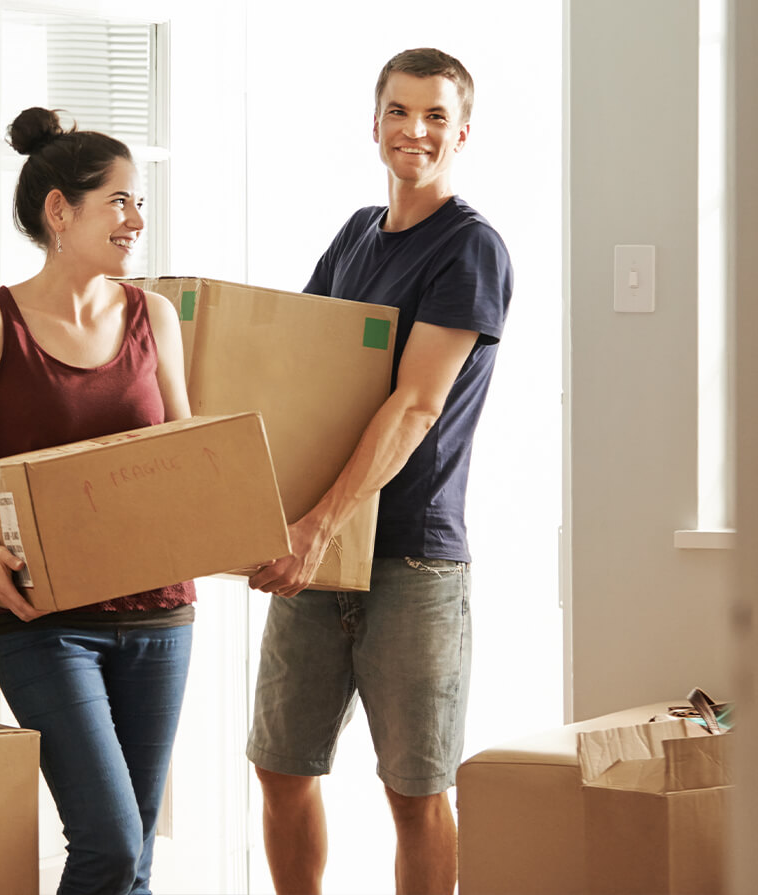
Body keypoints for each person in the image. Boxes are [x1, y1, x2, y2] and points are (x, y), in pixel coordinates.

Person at [246, 48, 513, 895]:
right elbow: (303, 379)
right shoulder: (355, 235)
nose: (416, 130)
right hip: (316, 551)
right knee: (282, 768)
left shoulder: (469, 248)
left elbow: (413, 407)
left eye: (435, 115)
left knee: (414, 790)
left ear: (461, 132)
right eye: (400, 111)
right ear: (374, 125)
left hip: (410, 558)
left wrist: (316, 525)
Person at [0, 107, 195, 895]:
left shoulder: (156, 316)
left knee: (135, 851)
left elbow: (182, 458)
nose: (136, 220)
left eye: (137, 201)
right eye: (118, 201)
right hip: (43, 623)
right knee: (109, 842)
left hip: (158, 617)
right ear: (59, 210)